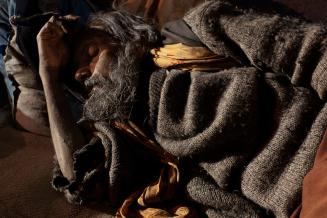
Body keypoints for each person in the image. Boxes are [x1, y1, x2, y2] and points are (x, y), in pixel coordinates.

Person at [13, 0, 327, 217]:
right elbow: (80, 180)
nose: (91, 74)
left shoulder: (193, 30)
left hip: (319, 144)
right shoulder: (128, 131)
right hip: (291, 202)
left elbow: (311, 49)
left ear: (116, 33)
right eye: (82, 79)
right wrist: (48, 77)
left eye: (91, 52)